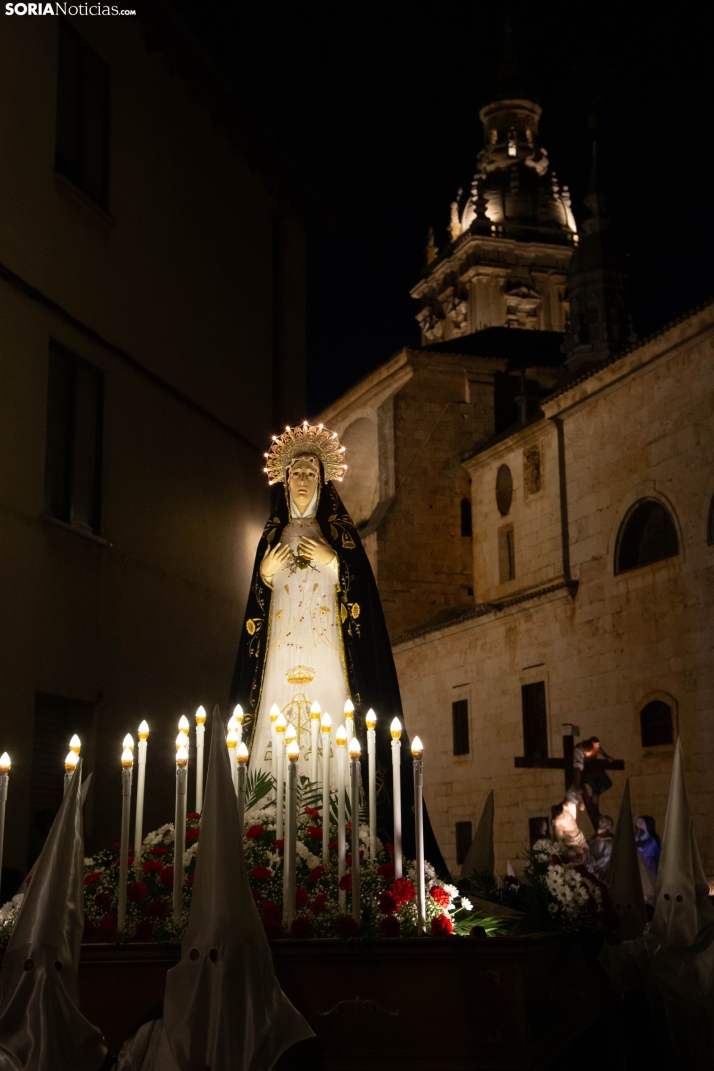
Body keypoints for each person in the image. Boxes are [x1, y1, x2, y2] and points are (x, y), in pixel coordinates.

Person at [230, 421, 446, 871]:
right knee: (272, 739)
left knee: (332, 742)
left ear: (323, 482)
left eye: (311, 471)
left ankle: (345, 835)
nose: (303, 479)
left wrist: (333, 564)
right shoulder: (269, 542)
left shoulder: (342, 541)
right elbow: (255, 613)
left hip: (330, 663)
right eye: (295, 472)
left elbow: (363, 596)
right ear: (284, 482)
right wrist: (266, 577)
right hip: (279, 666)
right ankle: (262, 833)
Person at [551, 800, 590, 865]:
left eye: (562, 814)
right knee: (580, 852)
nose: (562, 816)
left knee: (586, 849)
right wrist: (563, 843)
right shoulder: (558, 822)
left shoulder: (565, 807)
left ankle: (585, 859)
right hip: (570, 839)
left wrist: (580, 804)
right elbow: (560, 837)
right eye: (560, 816)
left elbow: (573, 801)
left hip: (579, 834)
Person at [634, 815, 661, 881]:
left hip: (650, 868)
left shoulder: (653, 840)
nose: (639, 824)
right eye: (637, 822)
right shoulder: (635, 837)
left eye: (642, 822)